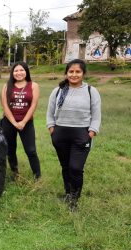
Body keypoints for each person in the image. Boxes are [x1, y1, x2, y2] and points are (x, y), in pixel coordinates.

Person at [46, 59, 101, 212]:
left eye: (78, 71)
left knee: (76, 168)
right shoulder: (57, 91)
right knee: (65, 167)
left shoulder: (91, 91)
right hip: (60, 134)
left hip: (81, 134)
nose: (74, 74)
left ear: (83, 73)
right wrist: (52, 128)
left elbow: (96, 115)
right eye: (71, 71)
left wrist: (91, 132)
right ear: (66, 73)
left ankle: (75, 199)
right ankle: (68, 194)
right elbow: (50, 113)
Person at [0, 61, 41, 181]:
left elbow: (33, 106)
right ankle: (15, 173)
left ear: (26, 71)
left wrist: (23, 122)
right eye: (16, 70)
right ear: (12, 73)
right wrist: (14, 122)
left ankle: (37, 177)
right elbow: (5, 106)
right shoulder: (7, 86)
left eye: (21, 70)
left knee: (31, 150)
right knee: (10, 149)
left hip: (26, 122)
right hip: (9, 122)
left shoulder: (33, 85)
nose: (19, 73)